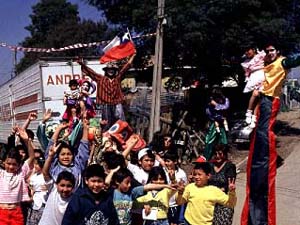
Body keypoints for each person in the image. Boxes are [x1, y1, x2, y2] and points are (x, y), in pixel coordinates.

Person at [241, 42, 300, 225]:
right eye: (267, 51)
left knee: (264, 134)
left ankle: (270, 156)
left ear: (278, 51)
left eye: (272, 50)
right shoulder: (264, 63)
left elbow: (295, 60)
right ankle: (250, 123)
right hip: (262, 98)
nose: (269, 53)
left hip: (270, 99)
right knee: (258, 133)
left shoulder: (282, 62)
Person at [76, 54, 135, 130]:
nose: (111, 71)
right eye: (109, 69)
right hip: (105, 105)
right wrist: (82, 64)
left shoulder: (118, 78)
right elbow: (90, 72)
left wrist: (133, 55)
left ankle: (121, 139)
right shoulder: (100, 78)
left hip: (117, 104)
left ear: (115, 71)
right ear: (106, 71)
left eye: (112, 70)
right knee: (106, 124)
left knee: (121, 123)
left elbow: (125, 68)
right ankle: (106, 139)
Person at [108, 167, 175, 225]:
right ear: (117, 182)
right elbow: (106, 183)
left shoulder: (132, 193)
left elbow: (149, 186)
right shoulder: (112, 193)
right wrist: (112, 172)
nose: (129, 185)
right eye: (127, 182)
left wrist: (166, 185)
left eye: (130, 182)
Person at [0, 127, 35, 225]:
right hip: (1, 213)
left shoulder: (20, 173)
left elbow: (32, 157)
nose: (11, 166)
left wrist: (26, 140)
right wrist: (11, 135)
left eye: (14, 164)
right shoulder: (1, 173)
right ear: (3, 163)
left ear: (19, 165)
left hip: (17, 212)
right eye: (8, 163)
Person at [44, 117, 89, 188]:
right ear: (58, 156)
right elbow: (50, 151)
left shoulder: (77, 166)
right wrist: (59, 129)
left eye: (69, 154)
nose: (66, 157)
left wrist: (85, 129)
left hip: (75, 199)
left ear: (73, 156)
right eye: (62, 154)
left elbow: (84, 150)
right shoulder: (54, 168)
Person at [209, 144, 236, 225]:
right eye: (215, 154)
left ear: (225, 154)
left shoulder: (230, 166)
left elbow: (230, 185)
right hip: (210, 201)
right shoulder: (210, 165)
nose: (217, 156)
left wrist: (219, 191)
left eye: (220, 154)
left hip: (224, 202)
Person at [241, 46, 266, 128]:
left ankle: (254, 118)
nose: (247, 52)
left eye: (248, 50)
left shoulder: (261, 56)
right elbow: (247, 72)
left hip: (262, 76)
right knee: (255, 95)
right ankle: (248, 112)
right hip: (254, 77)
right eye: (245, 51)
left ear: (254, 49)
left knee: (258, 97)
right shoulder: (246, 62)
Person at [204, 87, 229, 161]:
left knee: (223, 141)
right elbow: (208, 111)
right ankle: (207, 158)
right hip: (214, 123)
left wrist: (216, 105)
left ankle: (223, 158)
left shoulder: (225, 100)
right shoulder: (210, 102)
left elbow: (225, 107)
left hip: (222, 123)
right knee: (210, 141)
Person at [163, 152, 187, 225]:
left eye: (168, 161)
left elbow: (182, 188)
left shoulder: (181, 174)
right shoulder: (162, 171)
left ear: (175, 161)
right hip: (163, 203)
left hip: (174, 204)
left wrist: (173, 180)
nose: (166, 163)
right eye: (165, 161)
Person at [26, 156, 49, 225]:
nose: (35, 166)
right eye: (34, 164)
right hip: (35, 200)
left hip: (44, 199)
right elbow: (30, 184)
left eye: (37, 164)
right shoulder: (34, 176)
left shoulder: (46, 176)